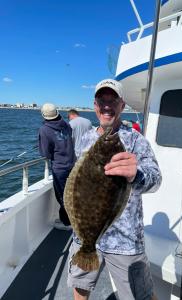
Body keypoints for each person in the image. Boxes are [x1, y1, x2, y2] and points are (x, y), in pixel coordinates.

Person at [67, 79, 162, 300]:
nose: (107, 105)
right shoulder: (84, 139)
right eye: (103, 100)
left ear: (122, 105)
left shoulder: (137, 141)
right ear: (95, 105)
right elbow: (76, 183)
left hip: (125, 240)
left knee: (141, 295)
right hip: (84, 236)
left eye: (113, 100)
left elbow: (156, 179)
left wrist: (136, 174)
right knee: (80, 286)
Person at [39, 103, 75, 230]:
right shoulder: (66, 124)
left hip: (60, 168)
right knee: (72, 195)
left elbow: (45, 154)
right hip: (72, 164)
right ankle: (74, 220)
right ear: (57, 113)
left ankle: (68, 223)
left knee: (63, 196)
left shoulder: (44, 129)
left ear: (44, 115)